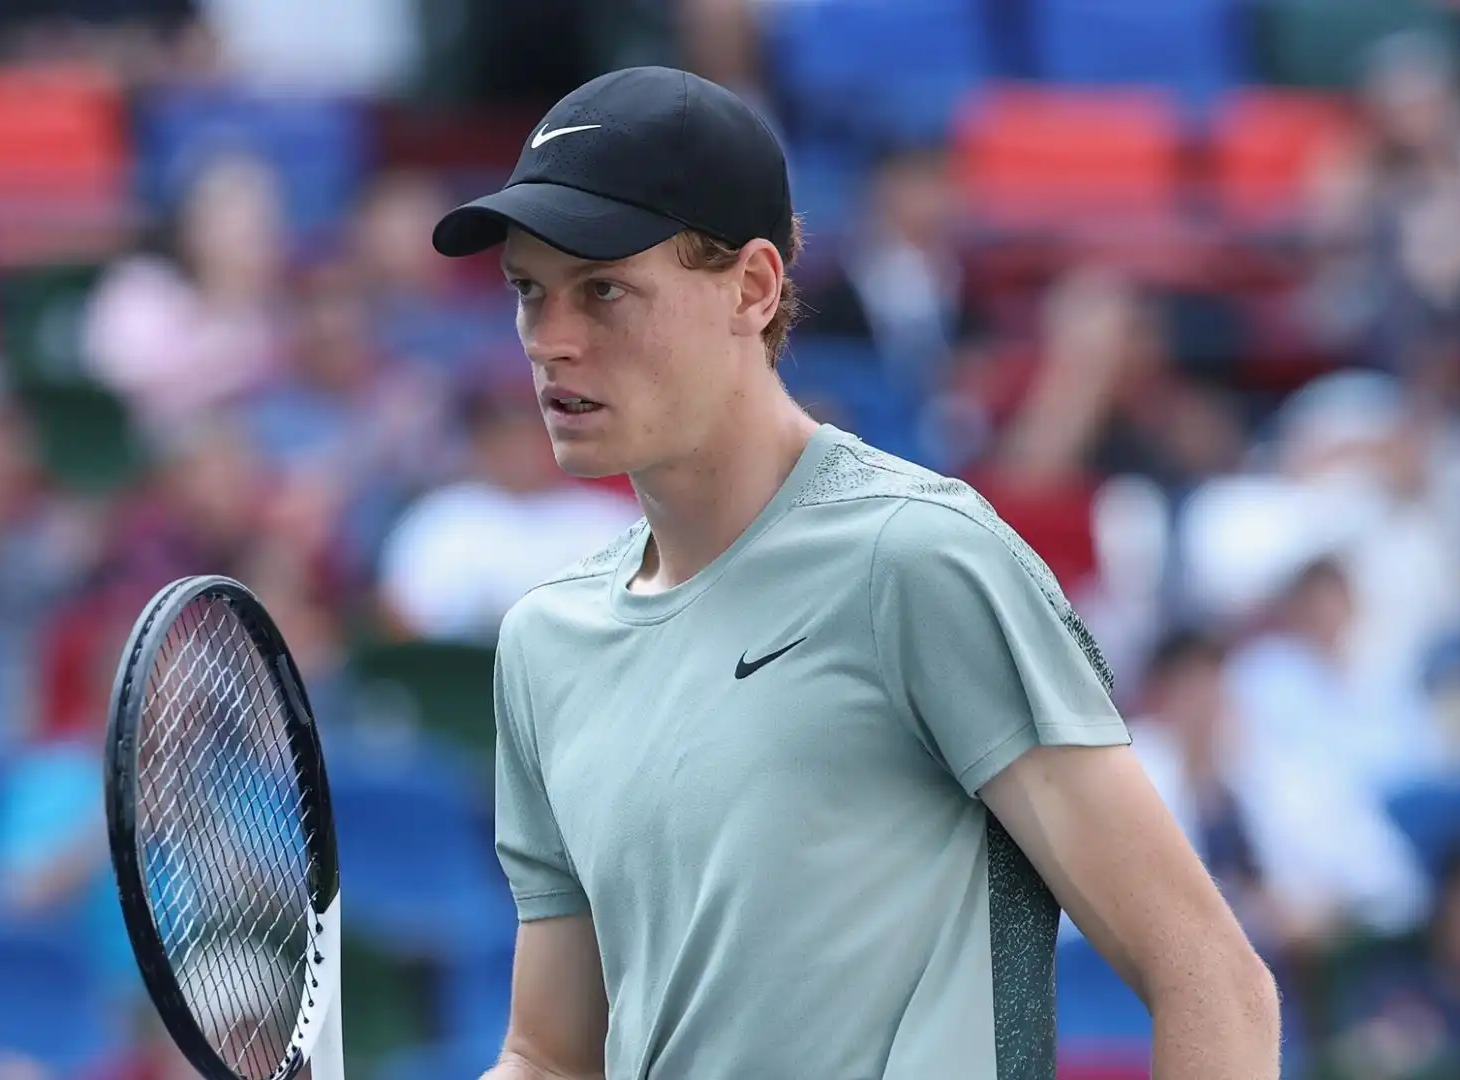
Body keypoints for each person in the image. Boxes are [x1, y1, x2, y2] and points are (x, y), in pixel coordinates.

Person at [428, 65, 1280, 1080]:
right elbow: (551, 1054)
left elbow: (1212, 979)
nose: (550, 342)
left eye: (603, 290)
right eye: (530, 293)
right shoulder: (542, 643)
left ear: (751, 288)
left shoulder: (918, 560)